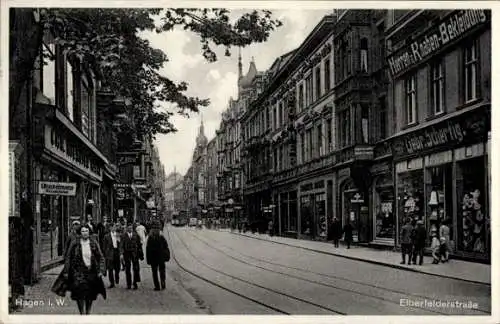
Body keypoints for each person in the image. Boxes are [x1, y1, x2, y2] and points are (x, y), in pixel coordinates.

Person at [64, 225, 106, 315]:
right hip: (79, 271)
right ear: (80, 233)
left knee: (90, 293)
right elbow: (68, 257)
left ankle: (88, 311)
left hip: (91, 271)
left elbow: (101, 257)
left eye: (86, 231)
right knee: (80, 293)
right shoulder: (75, 243)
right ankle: (82, 312)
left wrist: (101, 270)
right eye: (83, 231)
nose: (85, 233)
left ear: (89, 232)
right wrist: (66, 271)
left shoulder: (93, 243)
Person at [146, 226, 170, 291]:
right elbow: (166, 246)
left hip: (153, 258)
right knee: (162, 271)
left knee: (154, 272)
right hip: (161, 258)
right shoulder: (161, 237)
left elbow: (148, 249)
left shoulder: (150, 238)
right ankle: (163, 283)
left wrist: (148, 260)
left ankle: (157, 286)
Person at [120, 225, 143, 289]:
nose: (130, 229)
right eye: (129, 228)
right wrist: (121, 253)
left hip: (134, 254)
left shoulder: (136, 235)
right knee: (128, 269)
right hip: (127, 254)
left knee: (135, 269)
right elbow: (121, 245)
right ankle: (129, 284)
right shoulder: (123, 236)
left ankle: (135, 283)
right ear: (127, 229)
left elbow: (139, 245)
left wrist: (141, 254)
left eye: (131, 228)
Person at [102, 223, 121, 288]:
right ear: (110, 228)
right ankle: (112, 283)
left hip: (117, 252)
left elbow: (121, 244)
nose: (113, 228)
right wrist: (106, 253)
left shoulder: (118, 235)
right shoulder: (106, 236)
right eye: (112, 227)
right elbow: (104, 246)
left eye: (114, 227)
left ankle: (117, 276)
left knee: (117, 267)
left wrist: (121, 252)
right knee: (110, 269)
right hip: (110, 253)